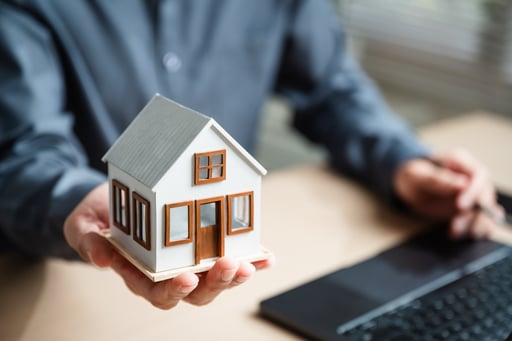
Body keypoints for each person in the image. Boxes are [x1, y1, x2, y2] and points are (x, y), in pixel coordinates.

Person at [0, 0, 504, 309]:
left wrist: (403, 164)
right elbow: (23, 150)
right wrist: (78, 198)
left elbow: (330, 85)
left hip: (234, 294)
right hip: (62, 284)